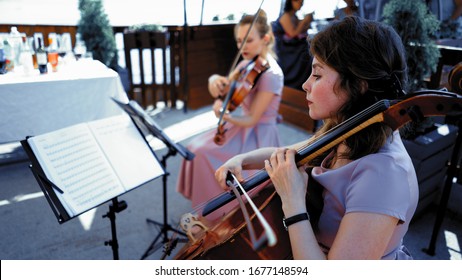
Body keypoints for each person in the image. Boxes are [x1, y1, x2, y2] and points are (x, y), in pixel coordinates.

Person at [215, 16, 419, 260]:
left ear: (359, 84)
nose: (305, 85)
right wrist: (242, 159)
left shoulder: (383, 174)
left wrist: (292, 202)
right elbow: (291, 152)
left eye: (317, 75)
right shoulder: (346, 130)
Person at [176, 10, 284, 219]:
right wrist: (213, 81)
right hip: (239, 126)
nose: (242, 47)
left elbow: (252, 118)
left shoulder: (271, 74)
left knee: (201, 152)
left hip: (258, 134)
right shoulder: (247, 64)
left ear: (266, 39)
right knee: (194, 148)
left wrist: (224, 116)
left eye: (248, 41)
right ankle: (208, 205)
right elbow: (223, 89)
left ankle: (218, 212)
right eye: (239, 41)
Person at [272, 0, 313, 90]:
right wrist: (304, 21)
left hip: (292, 47)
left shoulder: (293, 16)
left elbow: (301, 31)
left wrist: (308, 22)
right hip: (286, 50)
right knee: (306, 52)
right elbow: (293, 33)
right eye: (298, 1)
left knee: (309, 48)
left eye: (302, 2)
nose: (301, 4)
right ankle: (295, 84)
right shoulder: (285, 16)